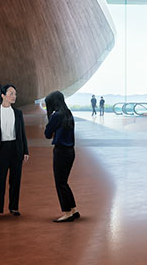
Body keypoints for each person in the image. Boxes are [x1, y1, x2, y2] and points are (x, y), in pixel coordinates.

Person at [0, 84, 29, 220]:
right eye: (11, 93)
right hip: (0, 150)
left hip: (16, 149)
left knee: (15, 180)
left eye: (15, 94)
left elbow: (22, 133)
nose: (14, 96)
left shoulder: (18, 113)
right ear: (3, 95)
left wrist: (25, 150)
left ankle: (14, 207)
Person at [44, 91, 80, 222]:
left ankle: (67, 213)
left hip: (60, 152)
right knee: (64, 182)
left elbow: (47, 133)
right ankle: (73, 209)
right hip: (70, 152)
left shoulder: (56, 116)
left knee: (60, 183)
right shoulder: (68, 113)